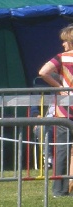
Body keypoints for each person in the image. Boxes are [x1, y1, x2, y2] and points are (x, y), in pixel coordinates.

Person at [38, 24, 73, 198]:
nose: (63, 45)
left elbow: (43, 72)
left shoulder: (61, 58)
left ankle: (59, 189)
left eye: (65, 41)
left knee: (62, 150)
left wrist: (60, 87)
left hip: (65, 110)